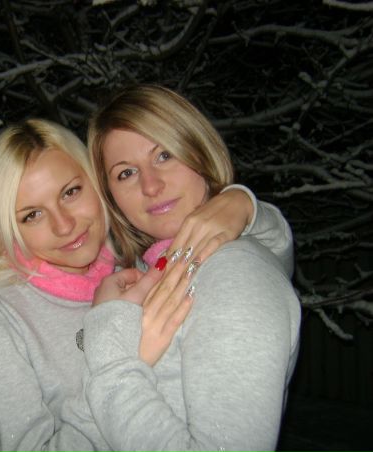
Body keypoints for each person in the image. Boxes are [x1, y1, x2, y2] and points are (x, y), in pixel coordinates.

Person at [0, 118, 293, 451]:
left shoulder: (127, 272)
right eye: (31, 215)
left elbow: (265, 268)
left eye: (71, 192)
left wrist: (245, 206)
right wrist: (123, 360)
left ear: (99, 188)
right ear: (6, 228)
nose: (64, 225)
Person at [81, 84, 301, 452]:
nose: (151, 185)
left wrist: (109, 355)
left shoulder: (233, 273)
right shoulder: (146, 270)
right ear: (111, 197)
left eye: (164, 154)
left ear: (199, 149)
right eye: (126, 173)